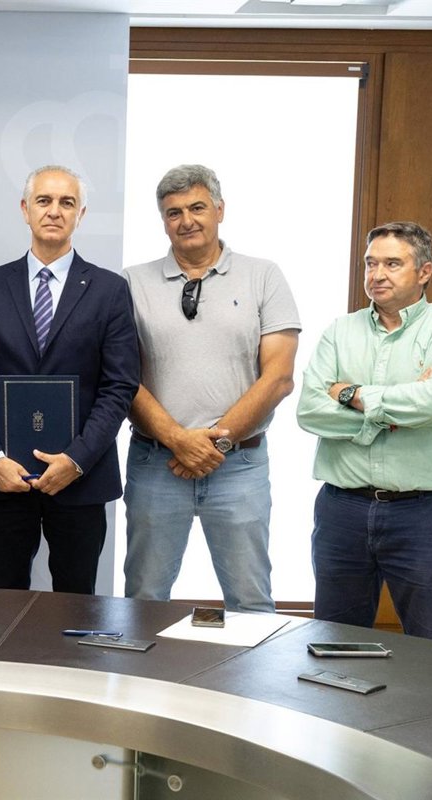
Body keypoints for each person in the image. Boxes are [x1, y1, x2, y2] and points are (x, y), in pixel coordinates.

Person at [122, 165, 300, 613]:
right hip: (157, 463)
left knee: (251, 602)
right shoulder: (131, 282)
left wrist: (214, 442)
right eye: (174, 212)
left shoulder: (264, 275)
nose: (187, 220)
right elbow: (121, 377)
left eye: (197, 208)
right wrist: (179, 440)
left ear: (220, 210)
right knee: (144, 600)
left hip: (238, 466)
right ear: (163, 221)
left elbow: (279, 376)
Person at [0, 165, 140, 594]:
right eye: (44, 200)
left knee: (75, 602)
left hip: (81, 478)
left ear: (81, 214)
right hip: (4, 478)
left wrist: (76, 460)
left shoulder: (109, 290)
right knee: (3, 603)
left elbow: (118, 386)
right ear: (25, 209)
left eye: (66, 202)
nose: (54, 211)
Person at [297, 221, 432, 643]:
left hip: (424, 512)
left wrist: (351, 394)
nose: (377, 275)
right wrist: (390, 413)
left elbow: (431, 403)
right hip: (342, 510)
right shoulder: (340, 332)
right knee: (335, 643)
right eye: (370, 263)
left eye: (392, 264)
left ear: (424, 272)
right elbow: (310, 411)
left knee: (431, 646)